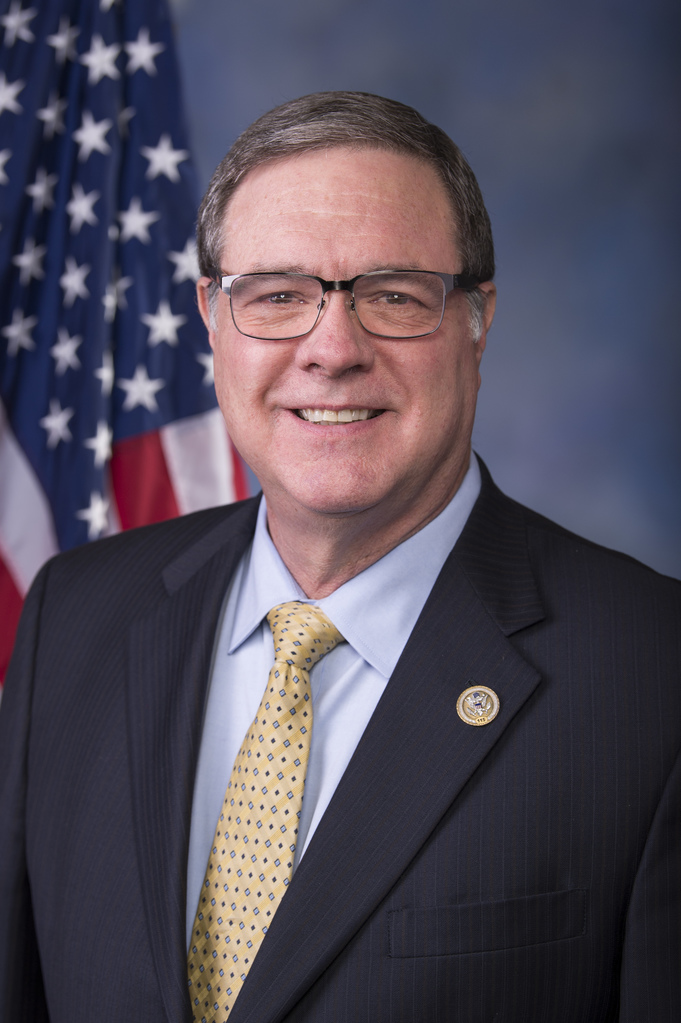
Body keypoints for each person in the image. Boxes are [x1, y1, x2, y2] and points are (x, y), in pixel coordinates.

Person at [0, 91, 679, 1023]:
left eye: (392, 296)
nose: (330, 348)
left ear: (476, 323)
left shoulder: (653, 672)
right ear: (211, 318)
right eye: (276, 296)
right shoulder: (73, 615)